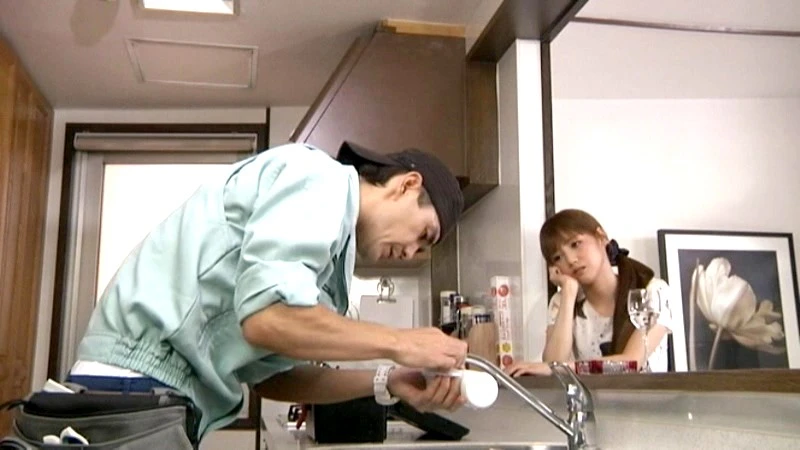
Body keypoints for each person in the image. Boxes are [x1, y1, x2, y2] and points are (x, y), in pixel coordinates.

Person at [68, 141, 469, 439]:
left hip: (158, 400)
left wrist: (388, 380)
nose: (411, 252)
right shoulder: (321, 179)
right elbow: (268, 318)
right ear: (407, 185)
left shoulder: (330, 265)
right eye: (423, 234)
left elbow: (272, 378)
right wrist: (401, 342)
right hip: (135, 386)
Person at [504, 209, 672, 377]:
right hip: (590, 395)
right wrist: (568, 292)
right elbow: (553, 366)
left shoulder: (652, 291)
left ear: (601, 237)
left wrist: (558, 368)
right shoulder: (561, 301)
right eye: (558, 258)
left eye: (575, 244)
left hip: (645, 394)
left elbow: (631, 363)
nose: (571, 260)